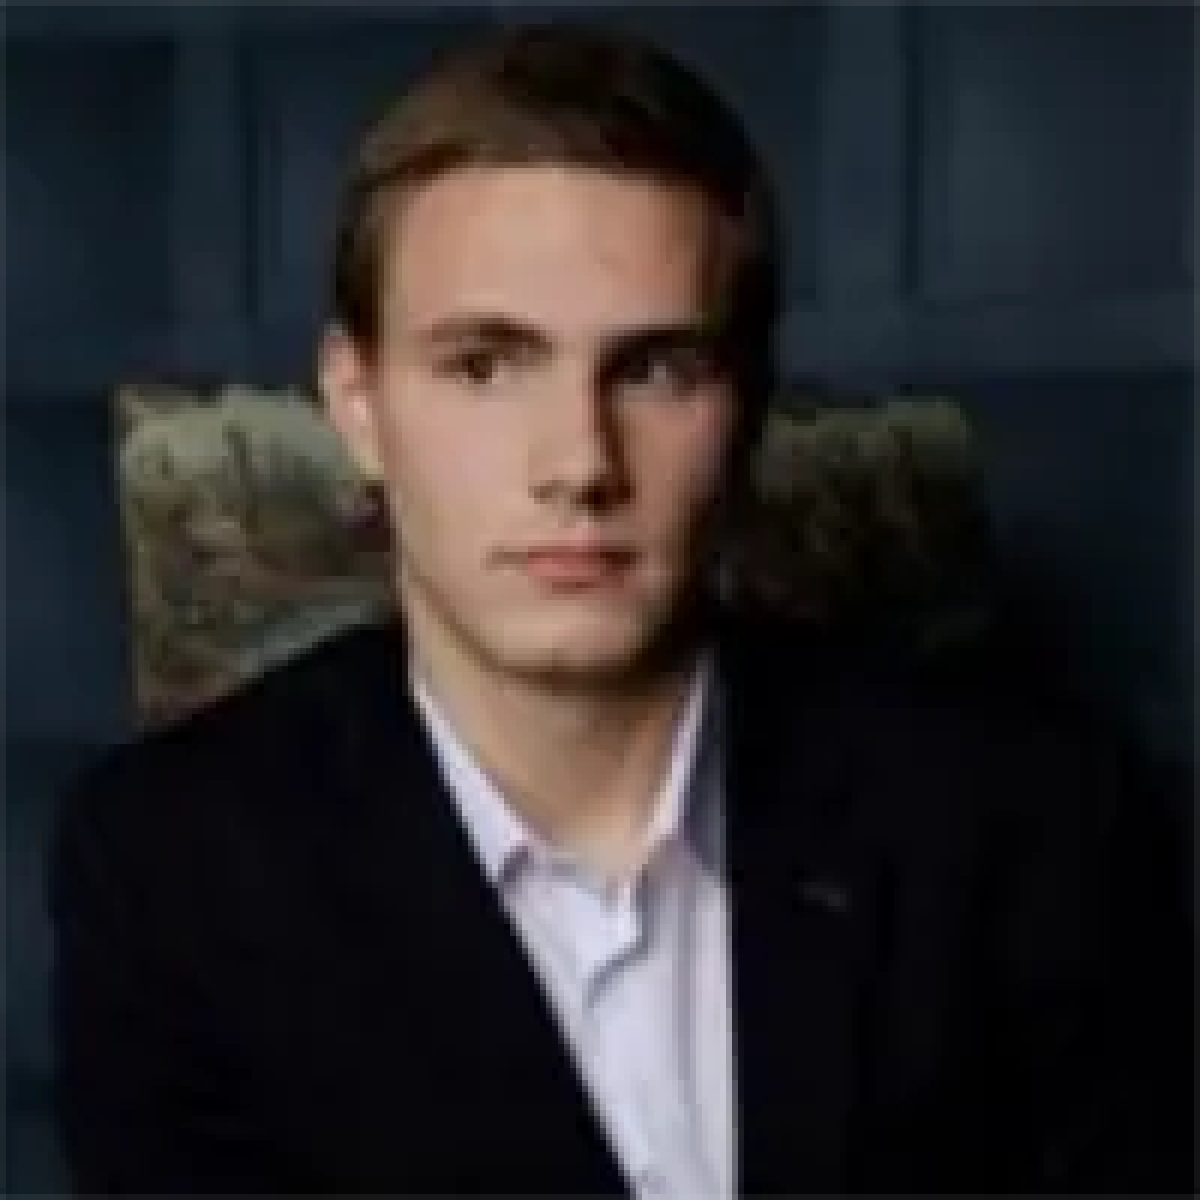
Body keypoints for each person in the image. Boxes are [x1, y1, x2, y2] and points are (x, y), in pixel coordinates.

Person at [48, 23, 1192, 1197]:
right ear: (357, 401)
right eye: (485, 365)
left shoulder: (1035, 822)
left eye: (655, 370)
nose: (580, 465)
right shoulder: (171, 871)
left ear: (747, 408)